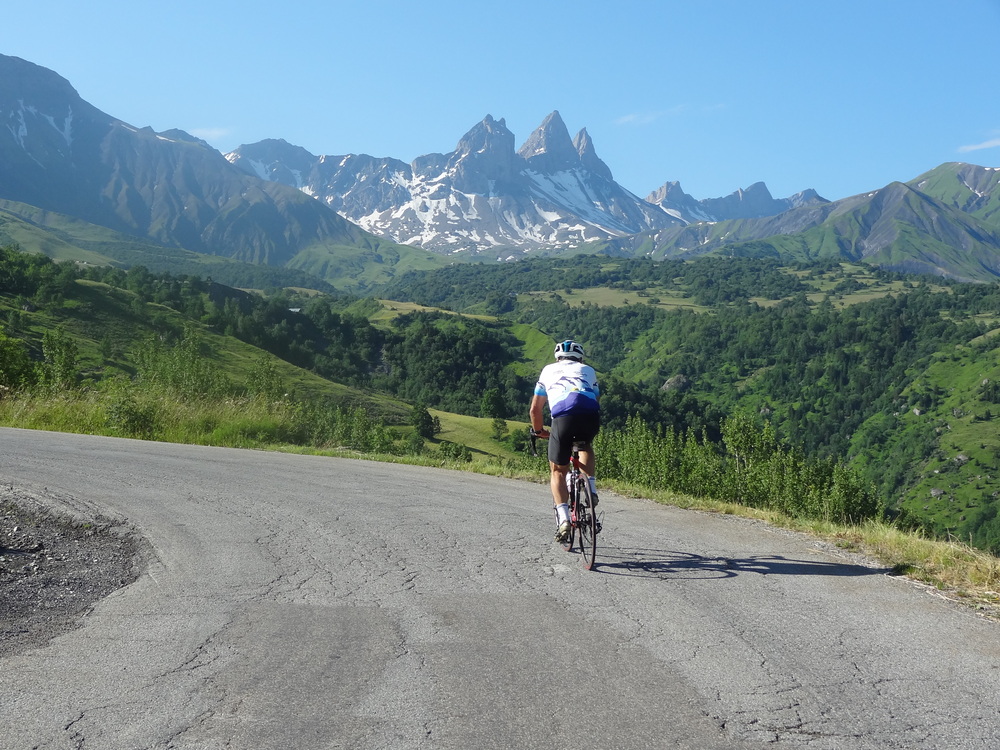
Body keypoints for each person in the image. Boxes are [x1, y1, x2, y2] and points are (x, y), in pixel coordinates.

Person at [529, 339, 601, 543]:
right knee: (585, 445)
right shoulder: (588, 370)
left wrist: (538, 431)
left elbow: (535, 410)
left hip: (563, 420)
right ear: (580, 357)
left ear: (557, 357)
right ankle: (591, 489)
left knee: (558, 470)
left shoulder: (548, 370)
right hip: (590, 416)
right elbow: (595, 400)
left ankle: (564, 519)